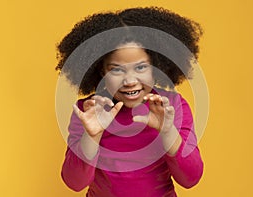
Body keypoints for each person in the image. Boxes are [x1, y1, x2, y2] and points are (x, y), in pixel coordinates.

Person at [56, 6, 204, 197]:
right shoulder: (89, 112)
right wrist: (92, 136)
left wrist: (168, 132)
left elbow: (191, 179)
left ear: (157, 66)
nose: (130, 81)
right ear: (101, 71)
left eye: (141, 67)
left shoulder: (172, 107)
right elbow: (74, 182)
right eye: (116, 70)